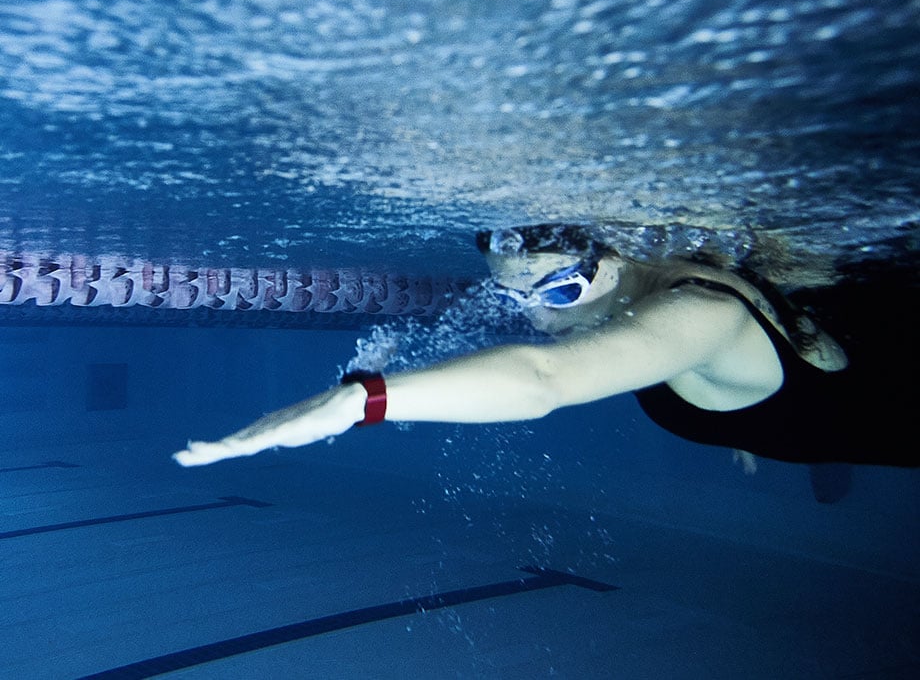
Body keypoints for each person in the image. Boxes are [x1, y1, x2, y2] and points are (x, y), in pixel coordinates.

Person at [173, 223, 919, 475]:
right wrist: (744, 424)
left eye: (558, 292)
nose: (542, 318)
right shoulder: (664, 319)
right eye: (518, 297)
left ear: (617, 259)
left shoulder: (699, 314)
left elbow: (542, 379)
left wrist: (353, 403)